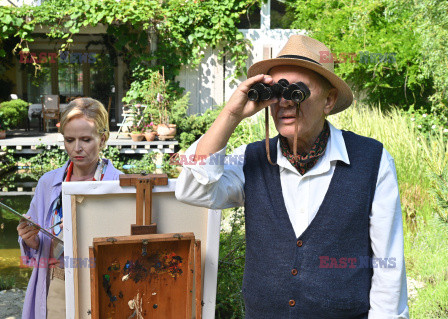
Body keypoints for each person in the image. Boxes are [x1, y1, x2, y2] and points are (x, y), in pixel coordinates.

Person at [175, 35, 409, 318]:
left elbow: (389, 265)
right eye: (275, 92)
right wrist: (232, 113)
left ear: (329, 100)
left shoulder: (371, 159)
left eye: (297, 91)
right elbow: (192, 189)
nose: (284, 102)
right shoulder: (252, 158)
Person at [17, 98, 123, 319]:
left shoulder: (121, 185)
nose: (77, 148)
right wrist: (30, 239)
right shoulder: (48, 183)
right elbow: (35, 251)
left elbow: (131, 244)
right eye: (69, 140)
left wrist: (88, 228)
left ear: (102, 139)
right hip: (59, 282)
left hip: (107, 284)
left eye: (86, 139)